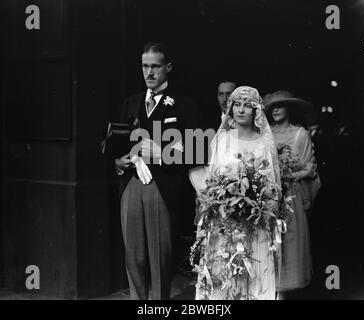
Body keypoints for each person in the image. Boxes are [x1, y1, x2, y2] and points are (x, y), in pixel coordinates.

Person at [115, 42, 201, 300]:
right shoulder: (130, 103)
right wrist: (119, 162)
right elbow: (115, 145)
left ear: (168, 68)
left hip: (162, 188)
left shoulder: (184, 105)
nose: (149, 72)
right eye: (145, 66)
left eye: (155, 66)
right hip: (131, 185)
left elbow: (197, 151)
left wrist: (162, 156)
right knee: (134, 256)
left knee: (159, 256)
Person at [190, 86, 282, 300]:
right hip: (224, 221)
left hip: (254, 222)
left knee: (253, 274)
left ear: (256, 111)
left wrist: (256, 202)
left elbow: (272, 185)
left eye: (247, 106)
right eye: (237, 105)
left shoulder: (265, 143)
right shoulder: (222, 140)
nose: (241, 110)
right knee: (223, 276)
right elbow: (211, 179)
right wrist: (220, 199)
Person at [263, 90, 321, 294]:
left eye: (281, 106)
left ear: (289, 109)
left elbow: (309, 168)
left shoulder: (300, 134)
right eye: (272, 107)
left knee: (290, 241)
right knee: (268, 243)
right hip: (268, 196)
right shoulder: (265, 133)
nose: (276, 110)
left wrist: (291, 175)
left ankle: (283, 294)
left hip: (291, 196)